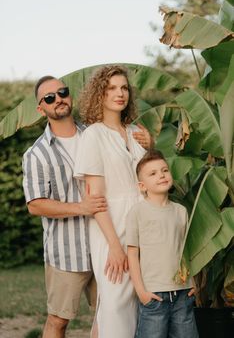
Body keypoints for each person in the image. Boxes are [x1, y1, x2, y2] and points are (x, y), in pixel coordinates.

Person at [22, 74, 151, 338]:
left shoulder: (94, 132)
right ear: (41, 108)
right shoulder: (37, 153)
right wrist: (82, 207)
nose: (58, 99)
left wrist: (149, 143)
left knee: (106, 315)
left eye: (62, 92)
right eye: (49, 98)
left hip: (106, 236)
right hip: (69, 249)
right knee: (59, 320)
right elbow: (35, 205)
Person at [74, 65, 148, 338]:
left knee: (135, 305)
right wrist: (115, 247)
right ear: (99, 94)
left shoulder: (136, 132)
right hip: (111, 227)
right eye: (112, 88)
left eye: (124, 87)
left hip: (142, 225)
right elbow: (95, 198)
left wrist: (150, 147)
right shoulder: (94, 134)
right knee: (116, 303)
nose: (120, 93)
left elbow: (153, 178)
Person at [126, 149, 199, 338]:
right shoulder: (137, 212)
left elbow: (187, 251)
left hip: (183, 293)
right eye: (153, 173)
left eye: (164, 170)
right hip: (154, 295)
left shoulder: (181, 211)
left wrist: (195, 282)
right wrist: (141, 291)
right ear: (142, 186)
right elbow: (132, 254)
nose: (161, 175)